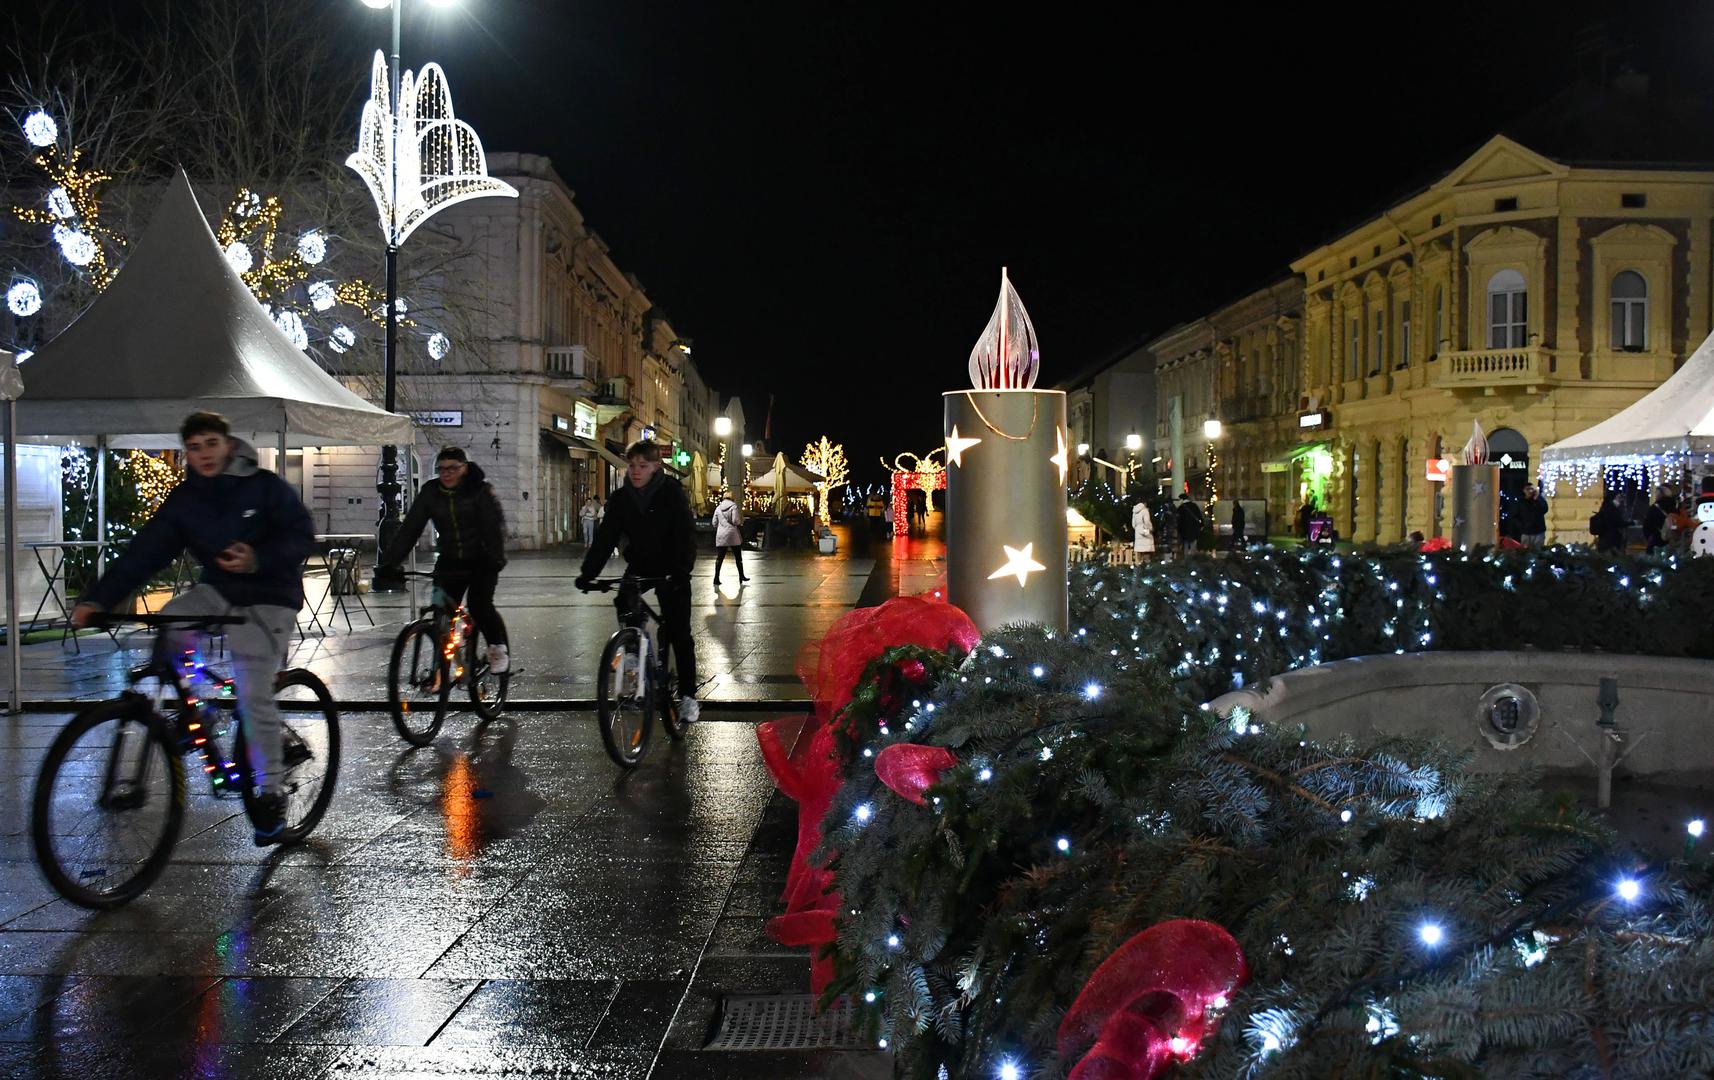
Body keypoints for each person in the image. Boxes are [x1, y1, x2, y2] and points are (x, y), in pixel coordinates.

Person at [71, 412, 314, 845]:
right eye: (195, 447)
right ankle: (197, 711)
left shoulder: (264, 487)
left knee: (253, 689)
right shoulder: (187, 499)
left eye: (210, 444)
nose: (203, 454)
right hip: (219, 590)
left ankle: (271, 791)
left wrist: (257, 558)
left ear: (227, 444)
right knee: (170, 625)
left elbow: (301, 535)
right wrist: (98, 599)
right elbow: (145, 551)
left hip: (270, 595)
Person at [577, 441, 699, 722]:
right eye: (631, 465)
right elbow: (606, 538)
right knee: (624, 597)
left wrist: (682, 569)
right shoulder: (622, 498)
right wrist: (588, 573)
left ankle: (689, 696)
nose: (635, 471)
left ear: (656, 467)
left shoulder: (671, 493)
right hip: (642, 562)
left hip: (673, 565)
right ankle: (632, 648)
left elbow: (686, 534)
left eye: (642, 466)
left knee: (679, 631)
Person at [377, 446, 510, 675]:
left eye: (452, 468)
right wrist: (390, 563)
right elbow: (411, 528)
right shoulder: (431, 492)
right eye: (441, 469)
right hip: (449, 561)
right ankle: (440, 669)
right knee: (441, 612)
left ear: (464, 469)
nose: (446, 474)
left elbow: (493, 527)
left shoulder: (479, 491)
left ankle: (497, 647)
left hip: (482, 560)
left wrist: (495, 558)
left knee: (479, 605)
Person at [712, 490, 747, 585]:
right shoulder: (733, 507)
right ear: (732, 498)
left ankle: (716, 578)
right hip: (732, 535)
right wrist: (739, 522)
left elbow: (714, 523)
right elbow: (735, 521)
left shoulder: (718, 508)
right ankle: (741, 576)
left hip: (721, 535)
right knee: (738, 557)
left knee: (720, 558)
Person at [1175, 494, 1203, 560]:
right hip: (1194, 529)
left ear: (1182, 499)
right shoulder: (1194, 506)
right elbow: (1199, 516)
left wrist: (1178, 529)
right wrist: (1201, 525)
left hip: (1185, 530)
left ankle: (1186, 560)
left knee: (1186, 545)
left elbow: (1179, 520)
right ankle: (1193, 559)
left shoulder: (1181, 508)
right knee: (1193, 544)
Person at [1131, 498, 1155, 563]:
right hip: (1145, 532)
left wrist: (1138, 528)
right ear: (1144, 503)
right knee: (1147, 550)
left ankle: (1139, 565)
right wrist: (1150, 528)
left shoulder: (1134, 511)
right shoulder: (1145, 510)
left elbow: (1133, 524)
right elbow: (1147, 521)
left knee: (1139, 552)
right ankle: (1147, 566)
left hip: (1138, 532)